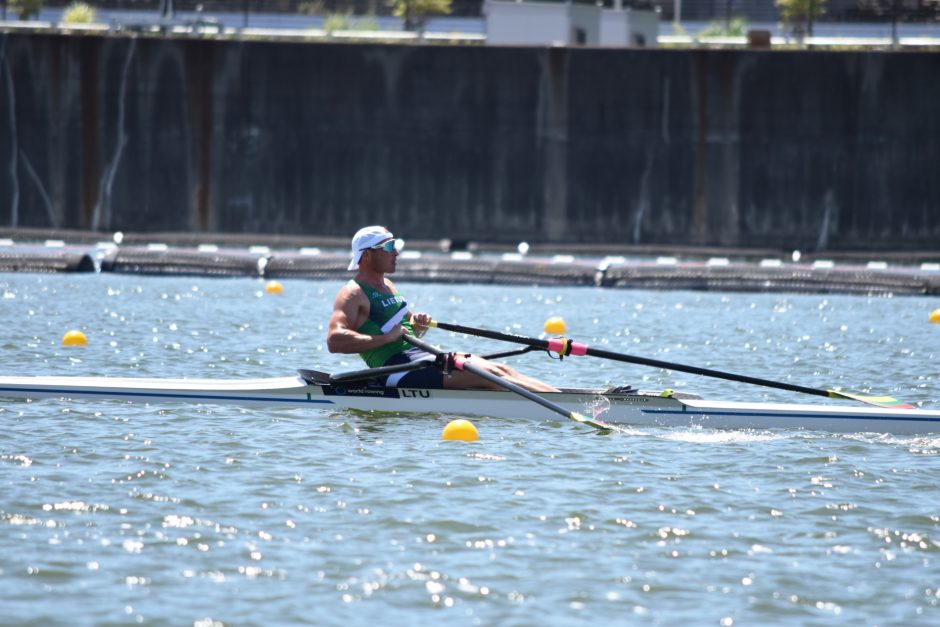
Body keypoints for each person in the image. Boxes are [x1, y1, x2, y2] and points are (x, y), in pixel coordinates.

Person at [327, 225, 558, 392]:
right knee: (491, 376)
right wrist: (386, 339)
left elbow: (409, 333)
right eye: (389, 246)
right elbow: (334, 340)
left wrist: (418, 325)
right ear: (367, 255)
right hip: (395, 369)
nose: (396, 252)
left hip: (421, 357)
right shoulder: (353, 293)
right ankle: (567, 407)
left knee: (500, 369)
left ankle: (564, 399)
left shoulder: (388, 285)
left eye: (395, 245)